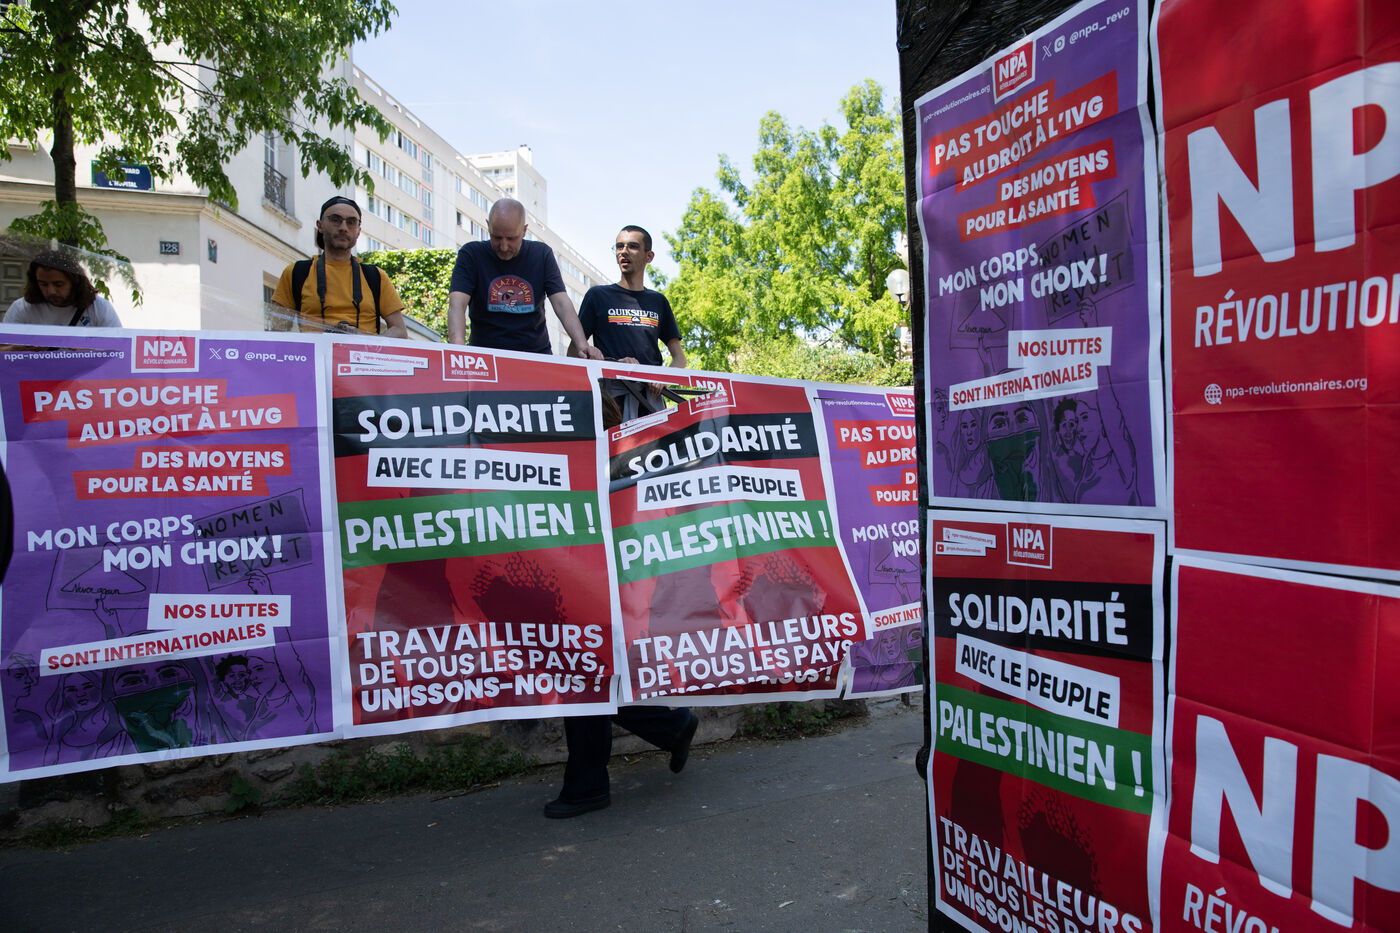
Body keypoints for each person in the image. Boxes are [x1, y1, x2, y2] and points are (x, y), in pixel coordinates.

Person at [546, 393, 697, 819]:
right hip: (602, 580)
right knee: (589, 674)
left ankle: (588, 785)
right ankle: (669, 727)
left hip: (601, 582)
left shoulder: (603, 459)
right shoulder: (615, 454)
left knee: (584, 676)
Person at [446, 197, 601, 358]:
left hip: (535, 356)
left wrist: (582, 345)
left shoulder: (541, 255)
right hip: (486, 358)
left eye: (511, 238)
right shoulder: (471, 254)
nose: (504, 246)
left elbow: (562, 303)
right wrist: (458, 351)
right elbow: (457, 304)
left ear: (524, 230)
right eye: (496, 237)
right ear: (488, 226)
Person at [571, 224, 686, 419]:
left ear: (649, 256)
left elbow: (680, 359)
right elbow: (573, 353)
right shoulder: (597, 296)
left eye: (632, 246)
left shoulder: (658, 301)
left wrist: (663, 377)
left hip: (651, 403)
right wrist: (612, 363)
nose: (623, 252)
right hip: (610, 404)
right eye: (619, 246)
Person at [271, 195, 409, 338]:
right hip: (315, 352)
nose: (343, 228)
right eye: (335, 220)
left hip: (361, 353)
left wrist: (366, 344)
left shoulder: (376, 276)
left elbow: (399, 331)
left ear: (358, 231)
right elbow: (278, 332)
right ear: (320, 226)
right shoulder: (296, 273)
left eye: (351, 222)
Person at [3, 250, 121, 327]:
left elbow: (119, 349)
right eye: (43, 284)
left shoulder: (99, 308)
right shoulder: (21, 308)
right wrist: (19, 348)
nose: (51, 291)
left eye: (58, 284)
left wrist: (88, 350)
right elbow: (3, 349)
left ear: (75, 282)